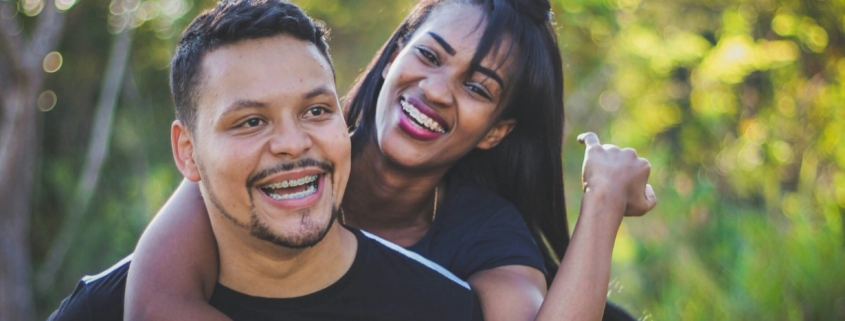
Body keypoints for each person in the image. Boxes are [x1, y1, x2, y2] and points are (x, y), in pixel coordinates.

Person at [57, 0, 655, 320]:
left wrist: (603, 199)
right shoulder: (274, 160)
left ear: (496, 132)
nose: (439, 90)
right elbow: (156, 304)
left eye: (478, 87)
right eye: (430, 57)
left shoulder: (481, 236)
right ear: (394, 53)